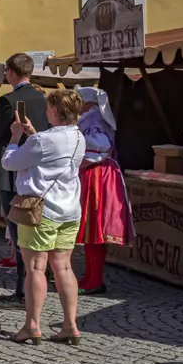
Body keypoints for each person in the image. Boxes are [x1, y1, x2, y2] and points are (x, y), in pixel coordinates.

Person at [0, 88, 86, 347]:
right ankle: (70, 325)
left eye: (49, 107)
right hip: (69, 209)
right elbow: (53, 156)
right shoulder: (79, 136)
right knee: (64, 267)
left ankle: (32, 325)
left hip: (41, 210)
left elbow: (9, 162)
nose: (46, 110)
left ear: (56, 111)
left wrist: (16, 137)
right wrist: (34, 134)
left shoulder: (42, 141)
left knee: (35, 268)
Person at [0, 53, 53, 308]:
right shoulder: (45, 99)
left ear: (11, 72)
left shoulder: (8, 100)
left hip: (13, 173)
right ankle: (40, 284)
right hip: (40, 172)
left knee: (18, 234)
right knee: (38, 232)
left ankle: (23, 292)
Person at [75, 86, 133, 295]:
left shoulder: (94, 121)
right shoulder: (90, 119)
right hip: (94, 174)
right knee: (91, 228)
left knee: (95, 227)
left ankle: (95, 279)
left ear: (87, 103)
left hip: (98, 175)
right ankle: (90, 276)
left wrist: (74, 160)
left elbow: (99, 149)